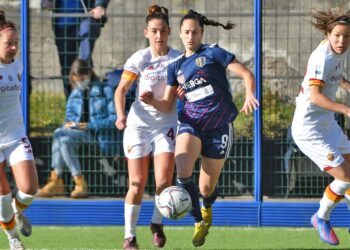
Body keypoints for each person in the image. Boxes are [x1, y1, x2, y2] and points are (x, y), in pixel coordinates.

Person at [141, 10, 259, 247]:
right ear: (181, 35)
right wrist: (152, 101)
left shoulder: (214, 53)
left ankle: (206, 206)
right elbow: (167, 104)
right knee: (183, 167)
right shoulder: (175, 67)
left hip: (219, 126)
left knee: (206, 188)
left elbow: (247, 74)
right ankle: (197, 221)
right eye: (186, 32)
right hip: (191, 123)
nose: (191, 36)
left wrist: (249, 94)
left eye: (195, 31)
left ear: (202, 32)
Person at [114, 4, 181, 250]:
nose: (158, 36)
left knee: (163, 181)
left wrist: (176, 95)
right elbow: (121, 90)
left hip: (166, 123)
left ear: (169, 31)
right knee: (137, 182)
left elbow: (171, 101)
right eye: (154, 31)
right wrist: (121, 115)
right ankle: (129, 236)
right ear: (146, 33)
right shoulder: (139, 58)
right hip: (139, 125)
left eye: (163, 31)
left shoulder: (177, 59)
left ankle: (156, 222)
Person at [291, 9, 350, 246]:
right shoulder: (320, 57)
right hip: (309, 131)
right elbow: (315, 97)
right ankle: (320, 217)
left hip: (327, 124)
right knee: (345, 176)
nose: (341, 41)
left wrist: (347, 86)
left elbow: (336, 76)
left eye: (346, 36)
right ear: (327, 34)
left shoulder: (340, 51)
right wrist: (346, 109)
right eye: (336, 36)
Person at [37, 59, 117, 198]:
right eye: (76, 79)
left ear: (90, 74)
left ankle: (57, 180)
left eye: (82, 78)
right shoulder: (74, 94)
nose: (80, 82)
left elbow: (114, 119)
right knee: (63, 137)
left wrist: (88, 125)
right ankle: (77, 182)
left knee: (59, 134)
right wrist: (69, 125)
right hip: (76, 136)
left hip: (98, 138)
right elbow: (68, 119)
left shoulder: (105, 90)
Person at [0, 11, 39, 250]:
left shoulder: (18, 65)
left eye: (16, 43)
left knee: (29, 188)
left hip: (15, 136)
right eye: (8, 44)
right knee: (2, 195)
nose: (14, 48)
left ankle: (17, 211)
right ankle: (13, 238)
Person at [41, 0, 110, 98]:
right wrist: (46, 3)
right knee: (67, 68)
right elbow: (45, 3)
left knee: (82, 64)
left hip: (87, 18)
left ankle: (90, 103)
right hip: (63, 25)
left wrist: (100, 5)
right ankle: (72, 104)